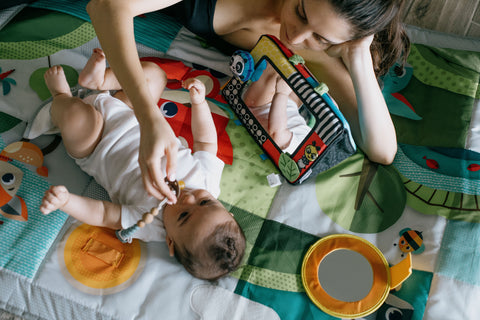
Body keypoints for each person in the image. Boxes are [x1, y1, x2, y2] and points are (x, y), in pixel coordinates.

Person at [85, 0, 410, 201]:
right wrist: (149, 118)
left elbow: (381, 150)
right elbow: (107, 6)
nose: (296, 38)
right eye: (300, 11)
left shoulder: (320, 52)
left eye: (320, 38)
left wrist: (358, 56)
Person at [39, 49, 246, 280]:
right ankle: (101, 80)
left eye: (184, 215)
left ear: (170, 241)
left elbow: (103, 213)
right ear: (224, 208)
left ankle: (61, 96)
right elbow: (205, 141)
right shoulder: (208, 179)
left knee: (75, 116)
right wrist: (199, 104)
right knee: (154, 75)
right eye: (205, 201)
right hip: (133, 112)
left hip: (95, 141)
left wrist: (67, 202)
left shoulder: (149, 223)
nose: (188, 198)